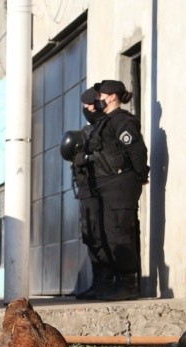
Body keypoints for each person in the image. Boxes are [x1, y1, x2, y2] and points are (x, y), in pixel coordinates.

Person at [87, 80, 150, 300]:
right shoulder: (106, 121)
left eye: (102, 95)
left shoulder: (121, 121)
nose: (98, 99)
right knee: (110, 235)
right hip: (108, 185)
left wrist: (141, 175)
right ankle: (118, 281)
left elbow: (136, 149)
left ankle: (128, 283)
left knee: (119, 235)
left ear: (112, 96)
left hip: (120, 184)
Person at [59, 87, 113, 299]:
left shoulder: (106, 128)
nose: (87, 109)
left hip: (99, 190)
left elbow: (109, 156)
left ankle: (106, 282)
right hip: (86, 190)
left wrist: (89, 158)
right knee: (90, 237)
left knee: (100, 237)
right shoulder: (89, 130)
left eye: (90, 104)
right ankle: (98, 282)